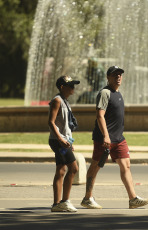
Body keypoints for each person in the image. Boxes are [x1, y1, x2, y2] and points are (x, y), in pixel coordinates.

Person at [81, 66, 148, 209]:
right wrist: (106, 136)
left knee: (126, 166)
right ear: (108, 77)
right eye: (115, 75)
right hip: (104, 139)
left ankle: (133, 199)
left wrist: (115, 135)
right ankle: (87, 198)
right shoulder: (105, 93)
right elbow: (100, 115)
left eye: (120, 75)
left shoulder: (118, 93)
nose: (118, 77)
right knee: (96, 166)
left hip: (118, 138)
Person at [48, 75, 80, 212]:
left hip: (63, 141)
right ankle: (64, 201)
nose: (73, 88)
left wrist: (68, 140)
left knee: (61, 170)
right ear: (62, 87)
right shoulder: (57, 100)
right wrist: (61, 140)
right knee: (73, 168)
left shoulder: (64, 101)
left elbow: (65, 125)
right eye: (70, 85)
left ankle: (56, 204)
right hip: (58, 141)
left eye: (74, 85)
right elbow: (51, 122)